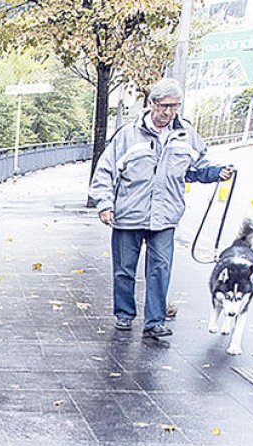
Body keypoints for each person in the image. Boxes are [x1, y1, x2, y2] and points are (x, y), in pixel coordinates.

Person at [88, 77, 234, 338]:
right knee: (124, 269)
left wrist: (216, 172)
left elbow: (197, 168)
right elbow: (105, 170)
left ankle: (155, 322)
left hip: (165, 216)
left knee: (160, 270)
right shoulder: (128, 135)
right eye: (164, 105)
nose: (169, 112)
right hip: (129, 214)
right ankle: (124, 314)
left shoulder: (186, 135)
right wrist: (104, 204)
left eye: (175, 106)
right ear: (152, 104)